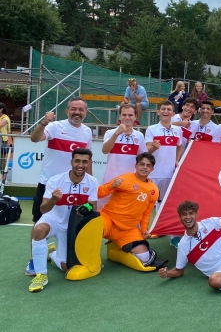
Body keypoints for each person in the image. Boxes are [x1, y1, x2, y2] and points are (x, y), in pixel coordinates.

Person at [27, 148, 98, 292]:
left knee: (68, 268)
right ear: (71, 162)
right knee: (39, 229)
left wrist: (87, 207)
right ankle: (41, 275)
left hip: (71, 227)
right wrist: (53, 199)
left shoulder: (92, 181)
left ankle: (51, 253)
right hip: (53, 220)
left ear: (89, 163)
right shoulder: (55, 180)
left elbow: (93, 206)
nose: (80, 165)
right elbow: (43, 210)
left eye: (85, 162)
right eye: (77, 161)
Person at [29, 98, 92, 226]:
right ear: (67, 111)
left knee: (73, 222)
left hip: (74, 185)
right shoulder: (54, 126)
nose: (77, 112)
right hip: (49, 183)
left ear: (86, 112)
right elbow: (34, 139)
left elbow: (88, 160)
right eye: (73, 109)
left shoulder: (87, 131)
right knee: (39, 223)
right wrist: (43, 123)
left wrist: (89, 181)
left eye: (81, 110)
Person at [98, 153, 161, 271]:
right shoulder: (123, 179)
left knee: (145, 257)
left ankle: (114, 253)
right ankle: (90, 263)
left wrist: (144, 230)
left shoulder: (154, 190)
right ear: (135, 165)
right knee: (92, 231)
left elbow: (146, 214)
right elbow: (97, 193)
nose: (144, 167)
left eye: (148, 165)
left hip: (128, 229)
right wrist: (111, 186)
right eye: (142, 164)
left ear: (152, 169)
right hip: (108, 220)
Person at [100, 104, 145, 208]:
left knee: (126, 210)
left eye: (130, 115)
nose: (127, 118)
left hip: (130, 181)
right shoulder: (110, 133)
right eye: (124, 115)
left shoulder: (139, 136)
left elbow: (142, 158)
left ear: (135, 117)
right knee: (104, 208)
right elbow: (105, 150)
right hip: (110, 179)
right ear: (120, 116)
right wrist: (116, 134)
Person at [144, 101, 183, 206]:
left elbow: (180, 146)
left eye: (169, 109)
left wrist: (176, 160)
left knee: (164, 203)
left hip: (169, 173)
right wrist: (154, 147)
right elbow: (147, 150)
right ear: (158, 112)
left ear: (173, 114)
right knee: (148, 203)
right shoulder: (151, 129)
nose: (166, 111)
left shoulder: (178, 130)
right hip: (154, 173)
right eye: (163, 109)